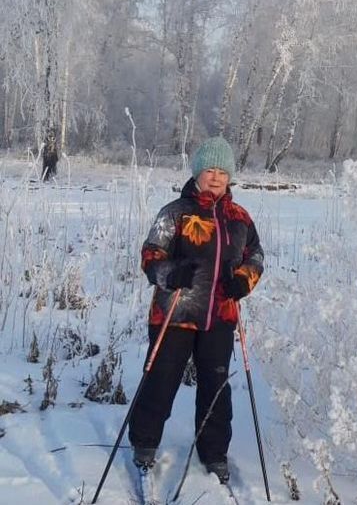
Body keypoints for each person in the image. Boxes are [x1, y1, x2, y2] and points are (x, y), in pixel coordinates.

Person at [128, 136, 264, 483]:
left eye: (222, 171)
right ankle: (144, 445)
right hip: (175, 314)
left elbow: (256, 257)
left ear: (230, 176)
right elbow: (150, 256)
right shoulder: (175, 212)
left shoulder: (240, 218)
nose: (216, 178)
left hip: (220, 317)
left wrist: (243, 281)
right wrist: (170, 273)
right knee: (160, 381)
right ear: (197, 173)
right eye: (209, 171)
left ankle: (214, 453)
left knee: (216, 388)